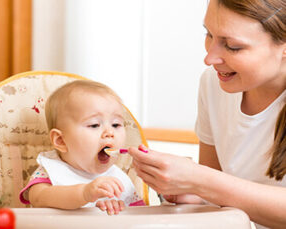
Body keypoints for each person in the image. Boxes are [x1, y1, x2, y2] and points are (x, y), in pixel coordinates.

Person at [128, 0, 286, 228]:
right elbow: (218, 193)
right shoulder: (215, 84)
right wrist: (188, 191)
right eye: (209, 34)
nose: (209, 58)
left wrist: (200, 180)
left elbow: (212, 182)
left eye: (232, 46)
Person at [19, 80, 144, 215]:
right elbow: (38, 198)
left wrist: (120, 210)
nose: (110, 133)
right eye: (94, 125)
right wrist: (84, 193)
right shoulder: (51, 171)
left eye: (116, 124)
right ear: (61, 141)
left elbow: (140, 218)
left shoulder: (119, 178)